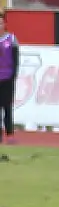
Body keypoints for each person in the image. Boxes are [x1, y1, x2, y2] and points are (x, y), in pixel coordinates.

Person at [0, 10, 17, 140]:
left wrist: (14, 75)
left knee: (7, 107)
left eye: (1, 23)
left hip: (7, 77)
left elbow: (16, 58)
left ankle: (10, 134)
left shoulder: (11, 39)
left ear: (4, 24)